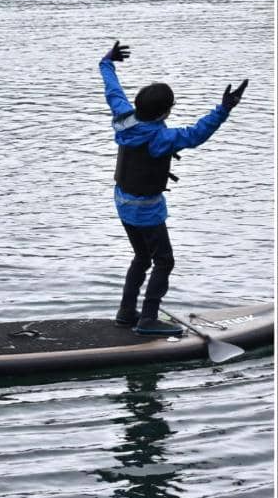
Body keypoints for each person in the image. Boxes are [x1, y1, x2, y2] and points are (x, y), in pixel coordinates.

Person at [100, 41, 247, 336]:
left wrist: (107, 61)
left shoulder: (123, 117)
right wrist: (224, 109)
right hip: (146, 211)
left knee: (142, 257)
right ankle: (148, 319)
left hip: (121, 203)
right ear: (163, 113)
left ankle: (126, 313)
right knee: (164, 261)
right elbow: (196, 134)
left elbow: (113, 89)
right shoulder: (161, 138)